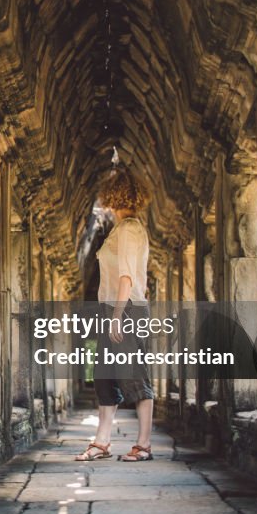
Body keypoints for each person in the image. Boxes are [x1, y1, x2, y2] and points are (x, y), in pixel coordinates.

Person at [76, 168, 156, 462]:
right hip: (115, 309)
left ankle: (144, 444)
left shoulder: (128, 230)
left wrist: (117, 316)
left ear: (114, 196)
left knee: (135, 376)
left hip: (126, 311)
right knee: (104, 377)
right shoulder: (122, 230)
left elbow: (126, 277)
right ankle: (102, 442)